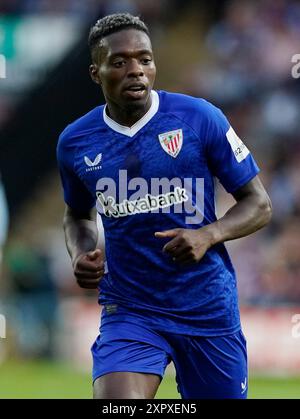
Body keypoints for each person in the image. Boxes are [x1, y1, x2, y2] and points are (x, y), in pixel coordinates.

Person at [56, 13, 272, 399]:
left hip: (206, 307)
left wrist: (209, 234)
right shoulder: (75, 142)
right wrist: (81, 250)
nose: (136, 70)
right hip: (130, 309)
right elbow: (77, 215)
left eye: (145, 59)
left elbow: (259, 204)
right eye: (119, 62)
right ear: (95, 73)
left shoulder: (200, 118)